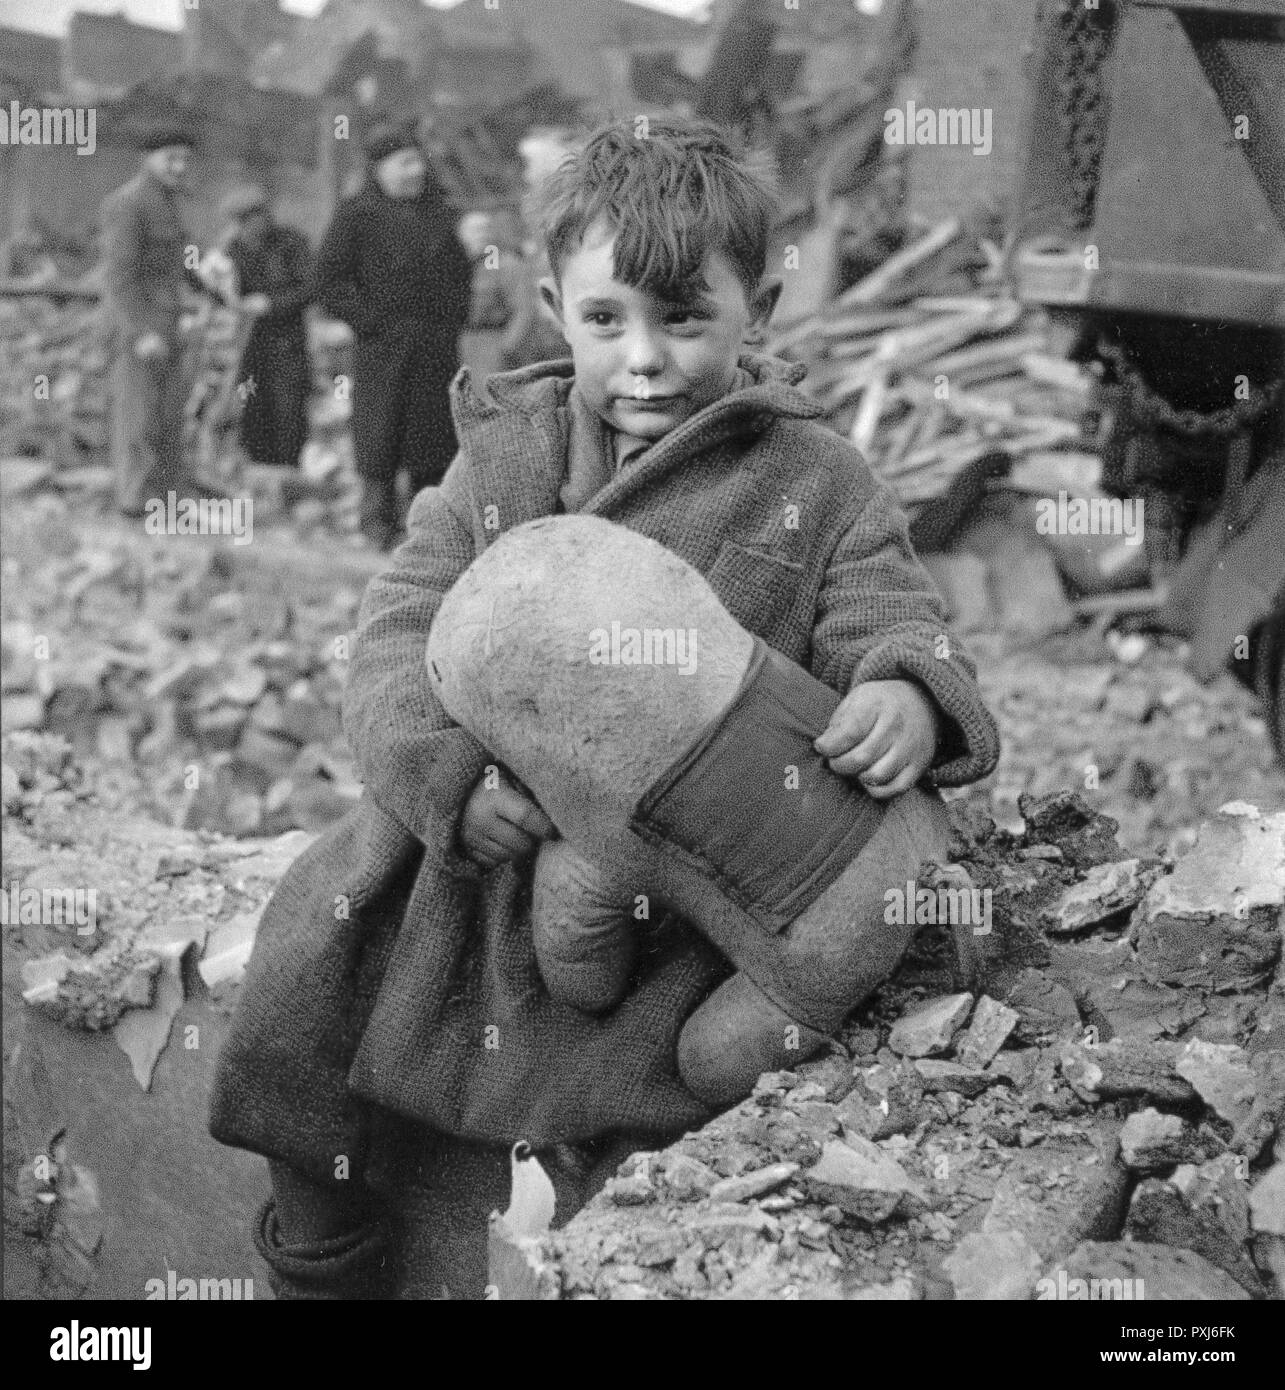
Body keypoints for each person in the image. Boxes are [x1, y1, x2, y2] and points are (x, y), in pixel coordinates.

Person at [210, 116, 1001, 1299]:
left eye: (685, 319)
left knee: (652, 1073)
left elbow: (888, 605)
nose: (644, 361)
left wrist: (904, 690)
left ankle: (593, 1235)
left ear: (761, 308)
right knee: (313, 960)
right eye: (605, 321)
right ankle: (319, 1254)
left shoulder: (810, 479)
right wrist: (444, 777)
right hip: (477, 849)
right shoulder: (501, 461)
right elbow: (392, 630)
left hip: (672, 879)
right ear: (550, 306)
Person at [311, 120, 472, 550]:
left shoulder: (438, 214)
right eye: (405, 163)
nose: (416, 171)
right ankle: (376, 526)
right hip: (384, 349)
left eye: (419, 161)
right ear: (379, 169)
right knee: (381, 437)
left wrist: (451, 322)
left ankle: (428, 533)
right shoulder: (356, 215)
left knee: (434, 440)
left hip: (435, 348)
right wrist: (374, 324)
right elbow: (327, 283)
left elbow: (459, 276)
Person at [101, 124, 232, 517]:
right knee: (138, 416)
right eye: (169, 158)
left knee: (168, 414)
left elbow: (179, 258)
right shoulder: (127, 203)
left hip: (170, 320)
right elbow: (119, 277)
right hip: (138, 325)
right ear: (148, 158)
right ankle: (133, 500)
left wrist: (207, 281)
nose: (178, 166)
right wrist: (139, 332)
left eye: (184, 159)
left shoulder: (169, 202)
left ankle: (165, 496)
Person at [220, 186, 313, 470]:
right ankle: (257, 469)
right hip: (250, 347)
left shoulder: (291, 244)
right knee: (251, 403)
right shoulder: (233, 250)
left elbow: (310, 288)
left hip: (287, 345)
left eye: (247, 220)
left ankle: (288, 471)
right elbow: (223, 292)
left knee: (289, 410)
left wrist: (271, 304)